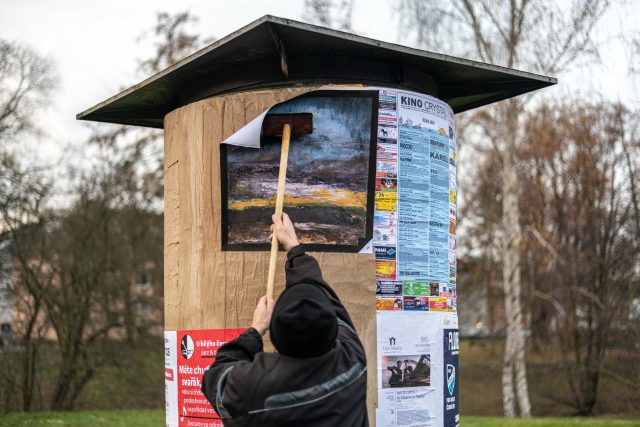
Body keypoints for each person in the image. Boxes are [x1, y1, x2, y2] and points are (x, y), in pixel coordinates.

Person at [201, 213, 368, 427]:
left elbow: (217, 377)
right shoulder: (352, 358)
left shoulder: (255, 386)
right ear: (332, 330)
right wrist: (293, 247)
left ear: (276, 333)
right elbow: (324, 294)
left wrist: (255, 330)